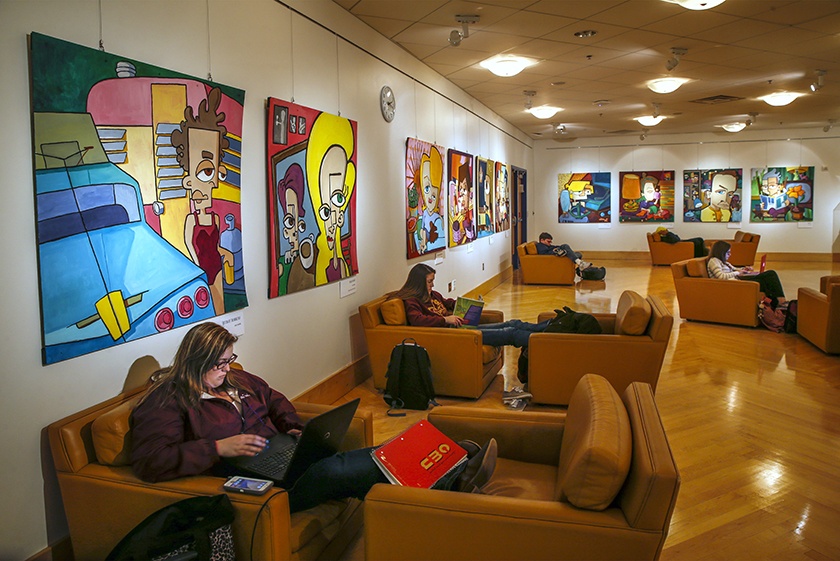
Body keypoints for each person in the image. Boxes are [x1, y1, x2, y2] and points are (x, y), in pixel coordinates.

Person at [130, 323, 494, 512]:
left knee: (361, 460)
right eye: (220, 363)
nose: (227, 369)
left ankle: (448, 475)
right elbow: (150, 462)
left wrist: (292, 425)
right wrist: (217, 447)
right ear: (194, 362)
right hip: (257, 481)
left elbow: (274, 399)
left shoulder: (236, 378)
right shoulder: (167, 401)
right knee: (337, 470)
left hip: (283, 454)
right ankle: (452, 468)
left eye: (229, 360)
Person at [390, 264, 550, 349]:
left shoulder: (432, 294)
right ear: (419, 283)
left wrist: (466, 304)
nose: (433, 284)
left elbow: (448, 302)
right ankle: (546, 340)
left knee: (513, 323)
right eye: (429, 281)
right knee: (511, 333)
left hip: (459, 327)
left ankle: (549, 328)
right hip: (452, 334)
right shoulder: (412, 301)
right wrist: (445, 320)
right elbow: (417, 320)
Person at [707, 241, 786, 308]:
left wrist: (744, 269)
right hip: (732, 284)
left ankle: (777, 302)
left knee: (767, 277)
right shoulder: (714, 261)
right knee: (769, 276)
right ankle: (780, 301)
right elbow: (721, 277)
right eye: (728, 253)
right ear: (721, 252)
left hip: (736, 280)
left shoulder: (724, 262)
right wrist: (738, 273)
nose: (730, 255)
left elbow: (734, 269)